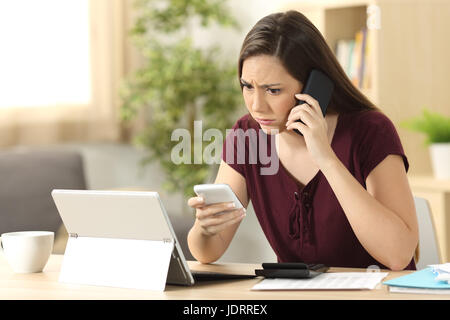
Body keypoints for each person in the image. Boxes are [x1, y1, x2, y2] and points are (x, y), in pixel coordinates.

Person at [187, 10, 419, 270]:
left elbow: (398, 256)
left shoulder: (371, 131)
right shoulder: (247, 137)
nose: (256, 105)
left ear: (314, 86)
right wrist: (205, 229)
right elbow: (207, 252)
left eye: (273, 90)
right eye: (247, 86)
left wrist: (325, 157)